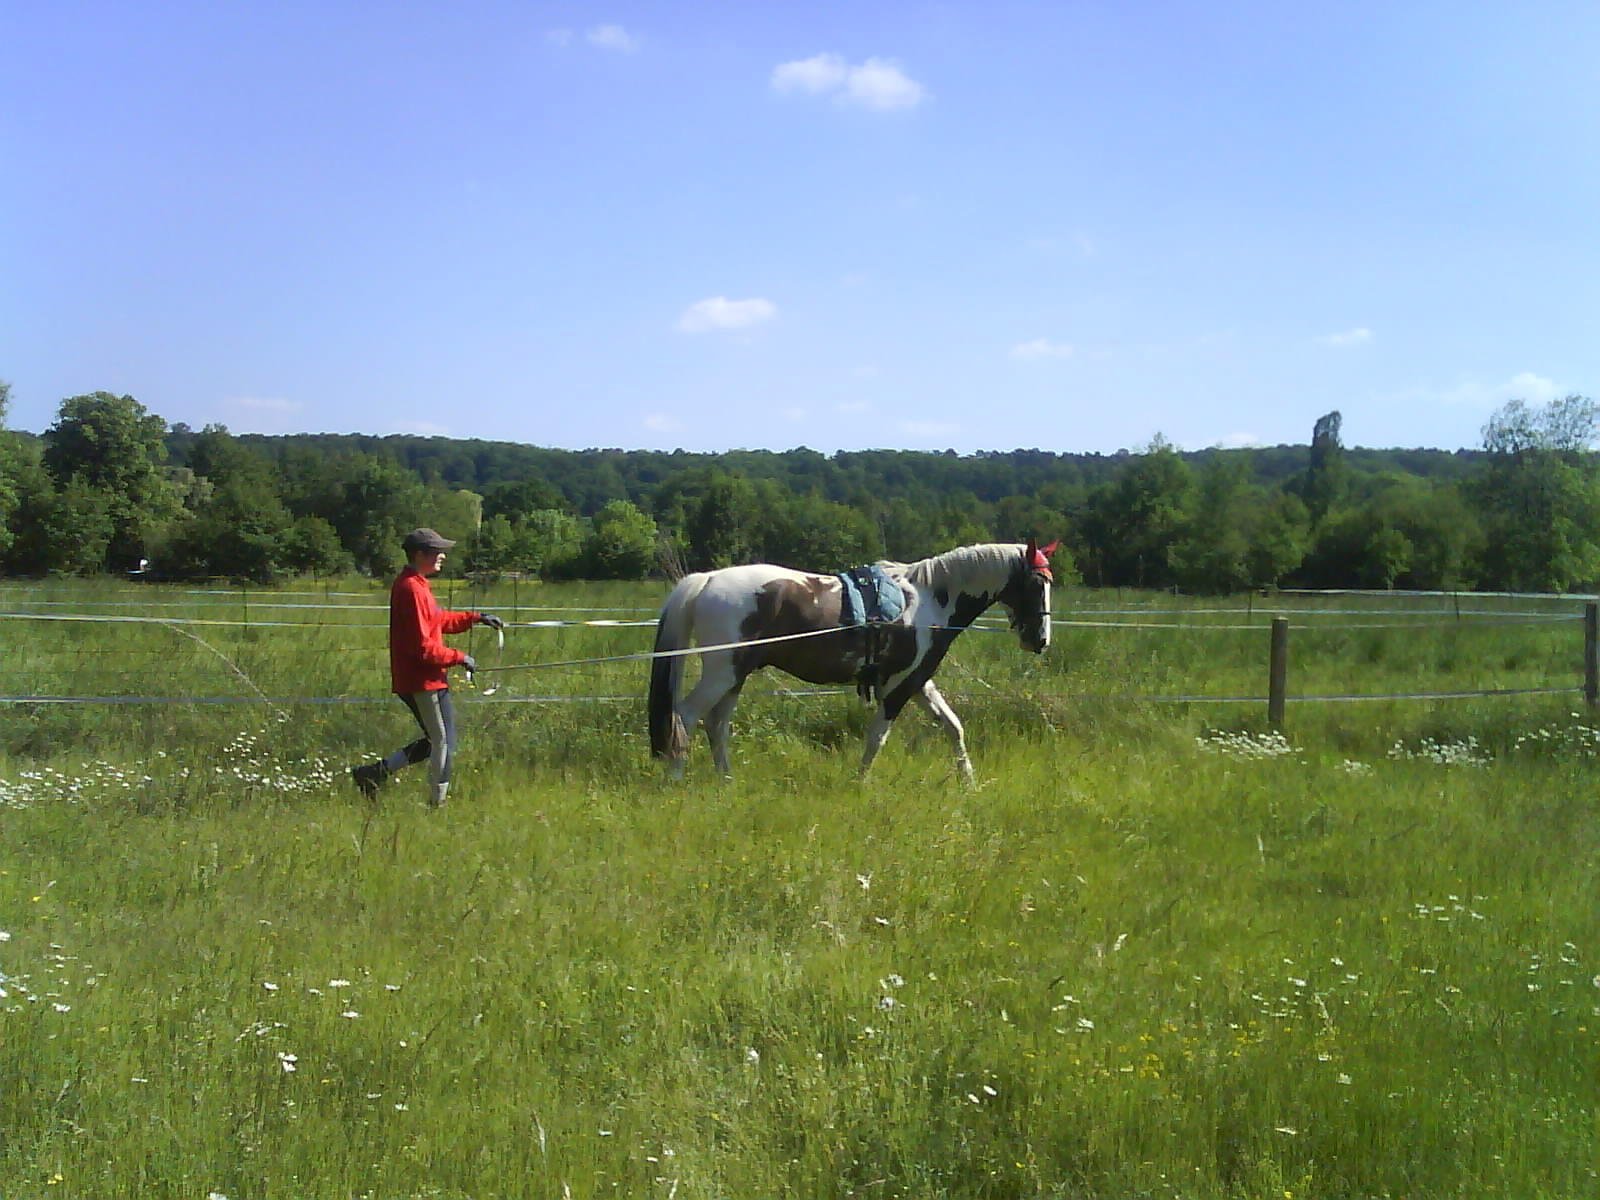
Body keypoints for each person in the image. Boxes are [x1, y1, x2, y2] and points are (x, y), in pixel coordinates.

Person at [351, 528, 505, 807]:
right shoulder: (410, 588)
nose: (442, 556)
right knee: (443, 742)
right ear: (419, 554)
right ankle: (437, 804)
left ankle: (373, 773)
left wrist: (476, 618)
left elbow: (438, 621)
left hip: (427, 678)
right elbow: (422, 647)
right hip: (422, 681)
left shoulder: (418, 584)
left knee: (437, 739)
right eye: (436, 551)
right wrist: (460, 657)